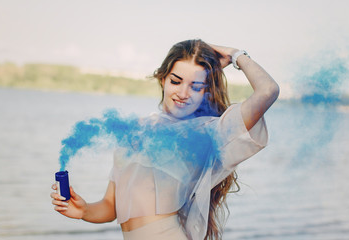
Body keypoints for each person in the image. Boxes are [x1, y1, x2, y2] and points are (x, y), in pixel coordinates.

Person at [50, 39, 279, 240]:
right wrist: (83, 211)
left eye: (196, 86)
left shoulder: (208, 133)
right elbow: (111, 207)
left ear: (206, 92)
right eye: (176, 81)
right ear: (163, 79)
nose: (183, 93)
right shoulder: (134, 130)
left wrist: (236, 55)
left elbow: (268, 91)